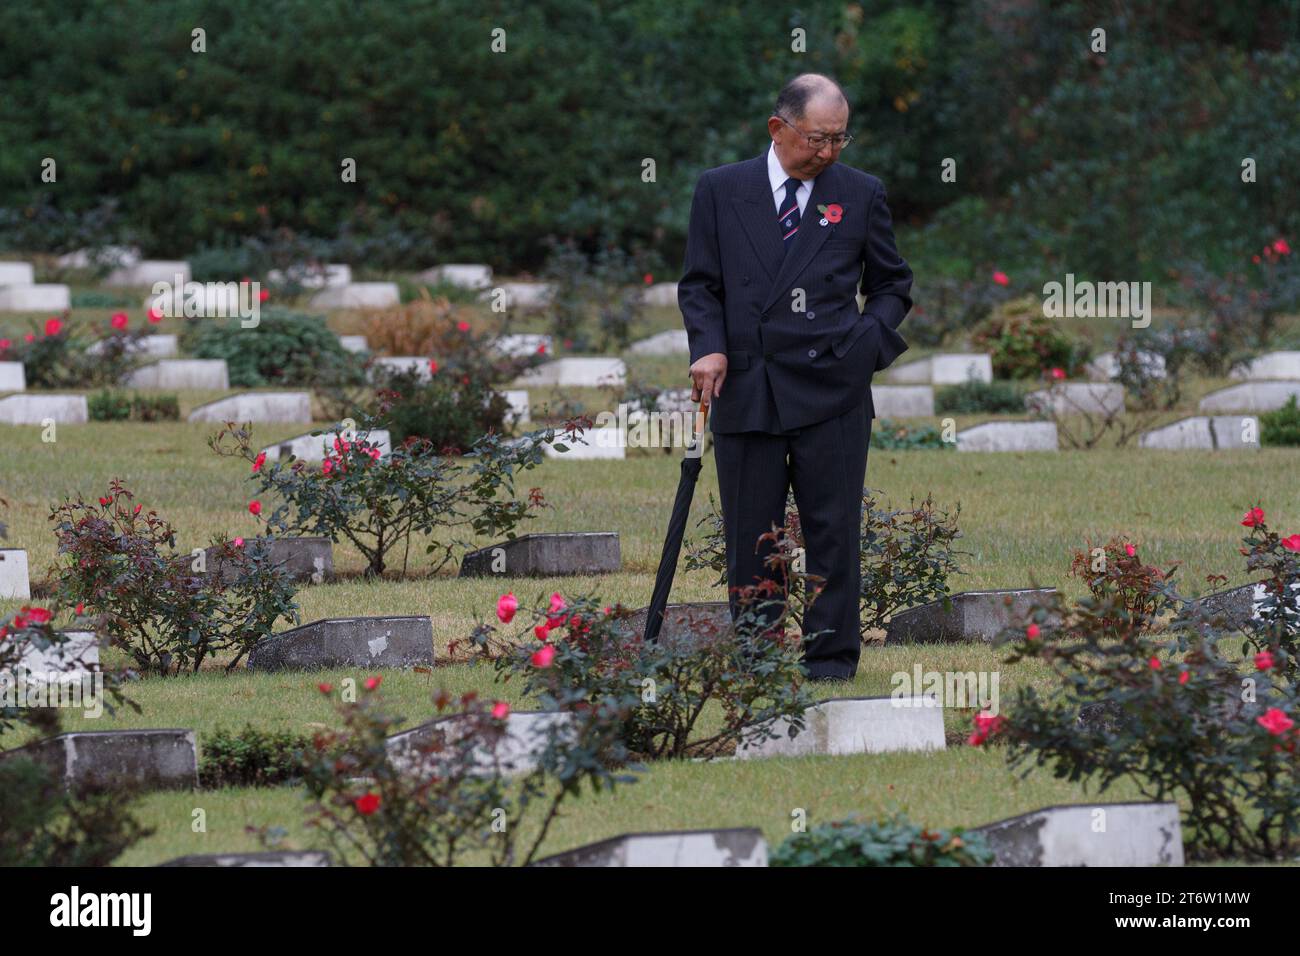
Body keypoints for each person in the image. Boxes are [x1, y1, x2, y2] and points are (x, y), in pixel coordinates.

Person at [678, 72, 913, 681]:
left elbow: (891, 285)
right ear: (778, 128)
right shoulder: (720, 189)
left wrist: (864, 347)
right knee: (752, 536)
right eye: (818, 138)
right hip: (747, 391)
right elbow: (701, 285)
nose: (829, 152)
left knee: (832, 530)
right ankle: (756, 659)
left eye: (840, 140)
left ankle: (831, 660)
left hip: (832, 392)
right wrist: (708, 347)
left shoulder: (860, 193)